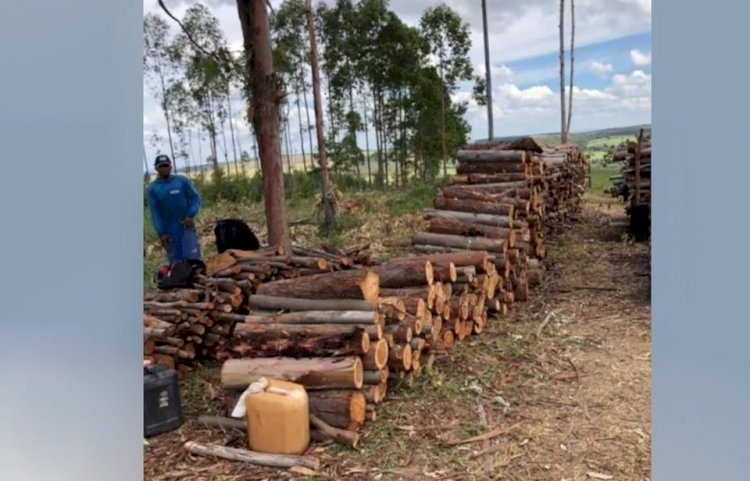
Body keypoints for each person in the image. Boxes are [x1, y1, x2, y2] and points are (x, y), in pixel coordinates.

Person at [147, 154, 202, 264]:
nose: (164, 168)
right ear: (156, 168)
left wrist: (190, 215)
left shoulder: (182, 181)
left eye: (166, 165)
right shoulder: (153, 188)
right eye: (161, 166)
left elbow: (196, 199)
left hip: (187, 228)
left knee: (194, 262)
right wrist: (161, 233)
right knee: (176, 266)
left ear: (171, 167)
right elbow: (155, 213)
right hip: (169, 233)